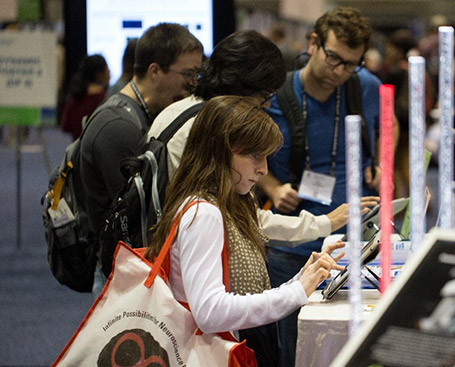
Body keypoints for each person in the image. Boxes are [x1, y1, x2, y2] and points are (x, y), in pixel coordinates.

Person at [144, 96, 345, 366]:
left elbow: (240, 295)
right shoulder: (204, 212)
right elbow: (210, 312)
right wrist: (294, 292)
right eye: (254, 156)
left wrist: (302, 279)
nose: (263, 169)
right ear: (220, 151)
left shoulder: (228, 203)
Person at [146, 30, 377, 248]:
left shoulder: (176, 113)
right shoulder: (206, 127)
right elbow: (240, 220)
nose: (265, 106)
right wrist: (324, 222)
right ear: (241, 87)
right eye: (264, 96)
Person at [257, 7, 394, 366]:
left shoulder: (363, 86)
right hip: (292, 243)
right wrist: (271, 187)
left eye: (352, 63)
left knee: (352, 346)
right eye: (334, 59)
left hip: (353, 243)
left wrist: (381, 161)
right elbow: (244, 156)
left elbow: (390, 124)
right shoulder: (276, 93)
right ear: (314, 43)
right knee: (291, 347)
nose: (340, 71)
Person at [79, 23, 203, 263]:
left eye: (197, 74)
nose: (193, 84)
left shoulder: (141, 114)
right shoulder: (118, 127)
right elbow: (140, 213)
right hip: (123, 267)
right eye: (188, 74)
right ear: (154, 71)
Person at [59, 54, 110, 140]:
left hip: (76, 150)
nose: (109, 72)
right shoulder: (104, 99)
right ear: (98, 74)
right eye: (107, 69)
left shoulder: (74, 98)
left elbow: (65, 126)